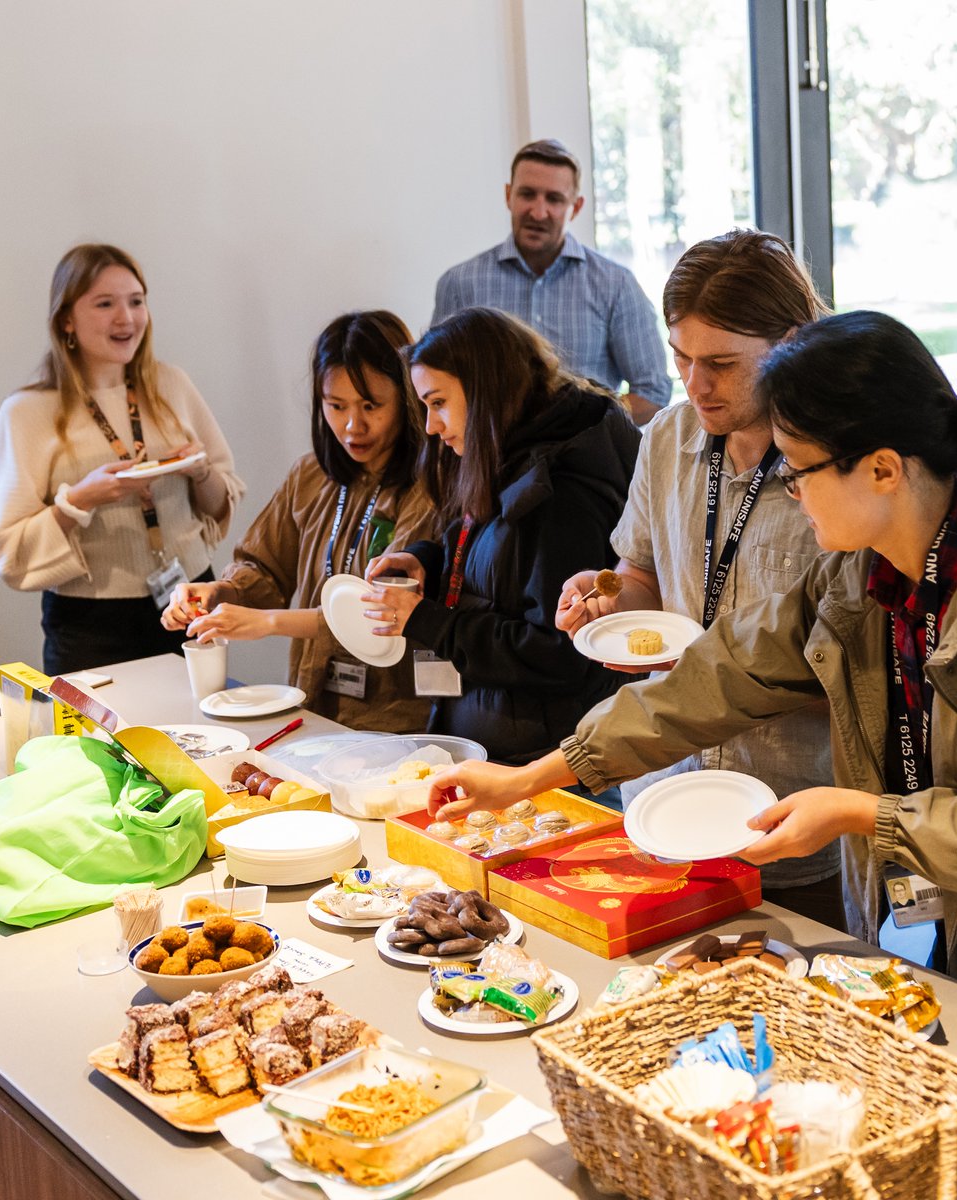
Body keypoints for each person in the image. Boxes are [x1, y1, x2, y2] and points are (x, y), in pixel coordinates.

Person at [425, 310, 957, 1053]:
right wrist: (531, 779)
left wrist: (858, 813)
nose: (790, 490)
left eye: (799, 468)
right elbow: (717, 677)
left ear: (882, 468)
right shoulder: (863, 570)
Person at [554, 230, 844, 929]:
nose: (695, 384)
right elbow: (641, 574)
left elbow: (859, 669)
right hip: (666, 792)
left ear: (792, 342)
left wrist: (722, 672)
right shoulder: (668, 438)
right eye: (680, 358)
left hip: (790, 811)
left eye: (720, 363)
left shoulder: (837, 468)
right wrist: (607, 599)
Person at [362, 306, 641, 766]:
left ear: (484, 390)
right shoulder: (513, 456)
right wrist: (427, 563)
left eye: (437, 403)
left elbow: (557, 653)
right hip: (506, 746)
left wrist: (430, 622)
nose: (431, 427)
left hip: (543, 759)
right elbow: (494, 562)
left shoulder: (561, 495)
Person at [161, 312, 437, 732]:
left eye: (371, 406)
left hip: (397, 715)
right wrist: (220, 593)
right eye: (336, 405)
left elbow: (378, 610)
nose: (352, 426)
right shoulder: (310, 475)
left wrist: (268, 623)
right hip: (312, 702)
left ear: (406, 397)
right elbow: (264, 569)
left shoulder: (428, 485)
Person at [0, 243, 243, 675]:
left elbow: (220, 505)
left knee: (204, 736)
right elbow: (6, 548)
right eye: (105, 304)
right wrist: (80, 499)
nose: (127, 318)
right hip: (92, 625)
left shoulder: (172, 385)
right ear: (67, 319)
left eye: (136, 301)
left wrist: (200, 471)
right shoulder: (27, 412)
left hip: (190, 599)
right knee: (96, 742)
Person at [431, 138, 671, 426]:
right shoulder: (459, 285)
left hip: (586, 463)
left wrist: (583, 420)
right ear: (509, 196)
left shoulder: (616, 285)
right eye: (527, 194)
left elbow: (653, 390)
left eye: (554, 199)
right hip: (486, 463)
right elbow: (434, 384)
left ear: (576, 206)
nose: (538, 212)